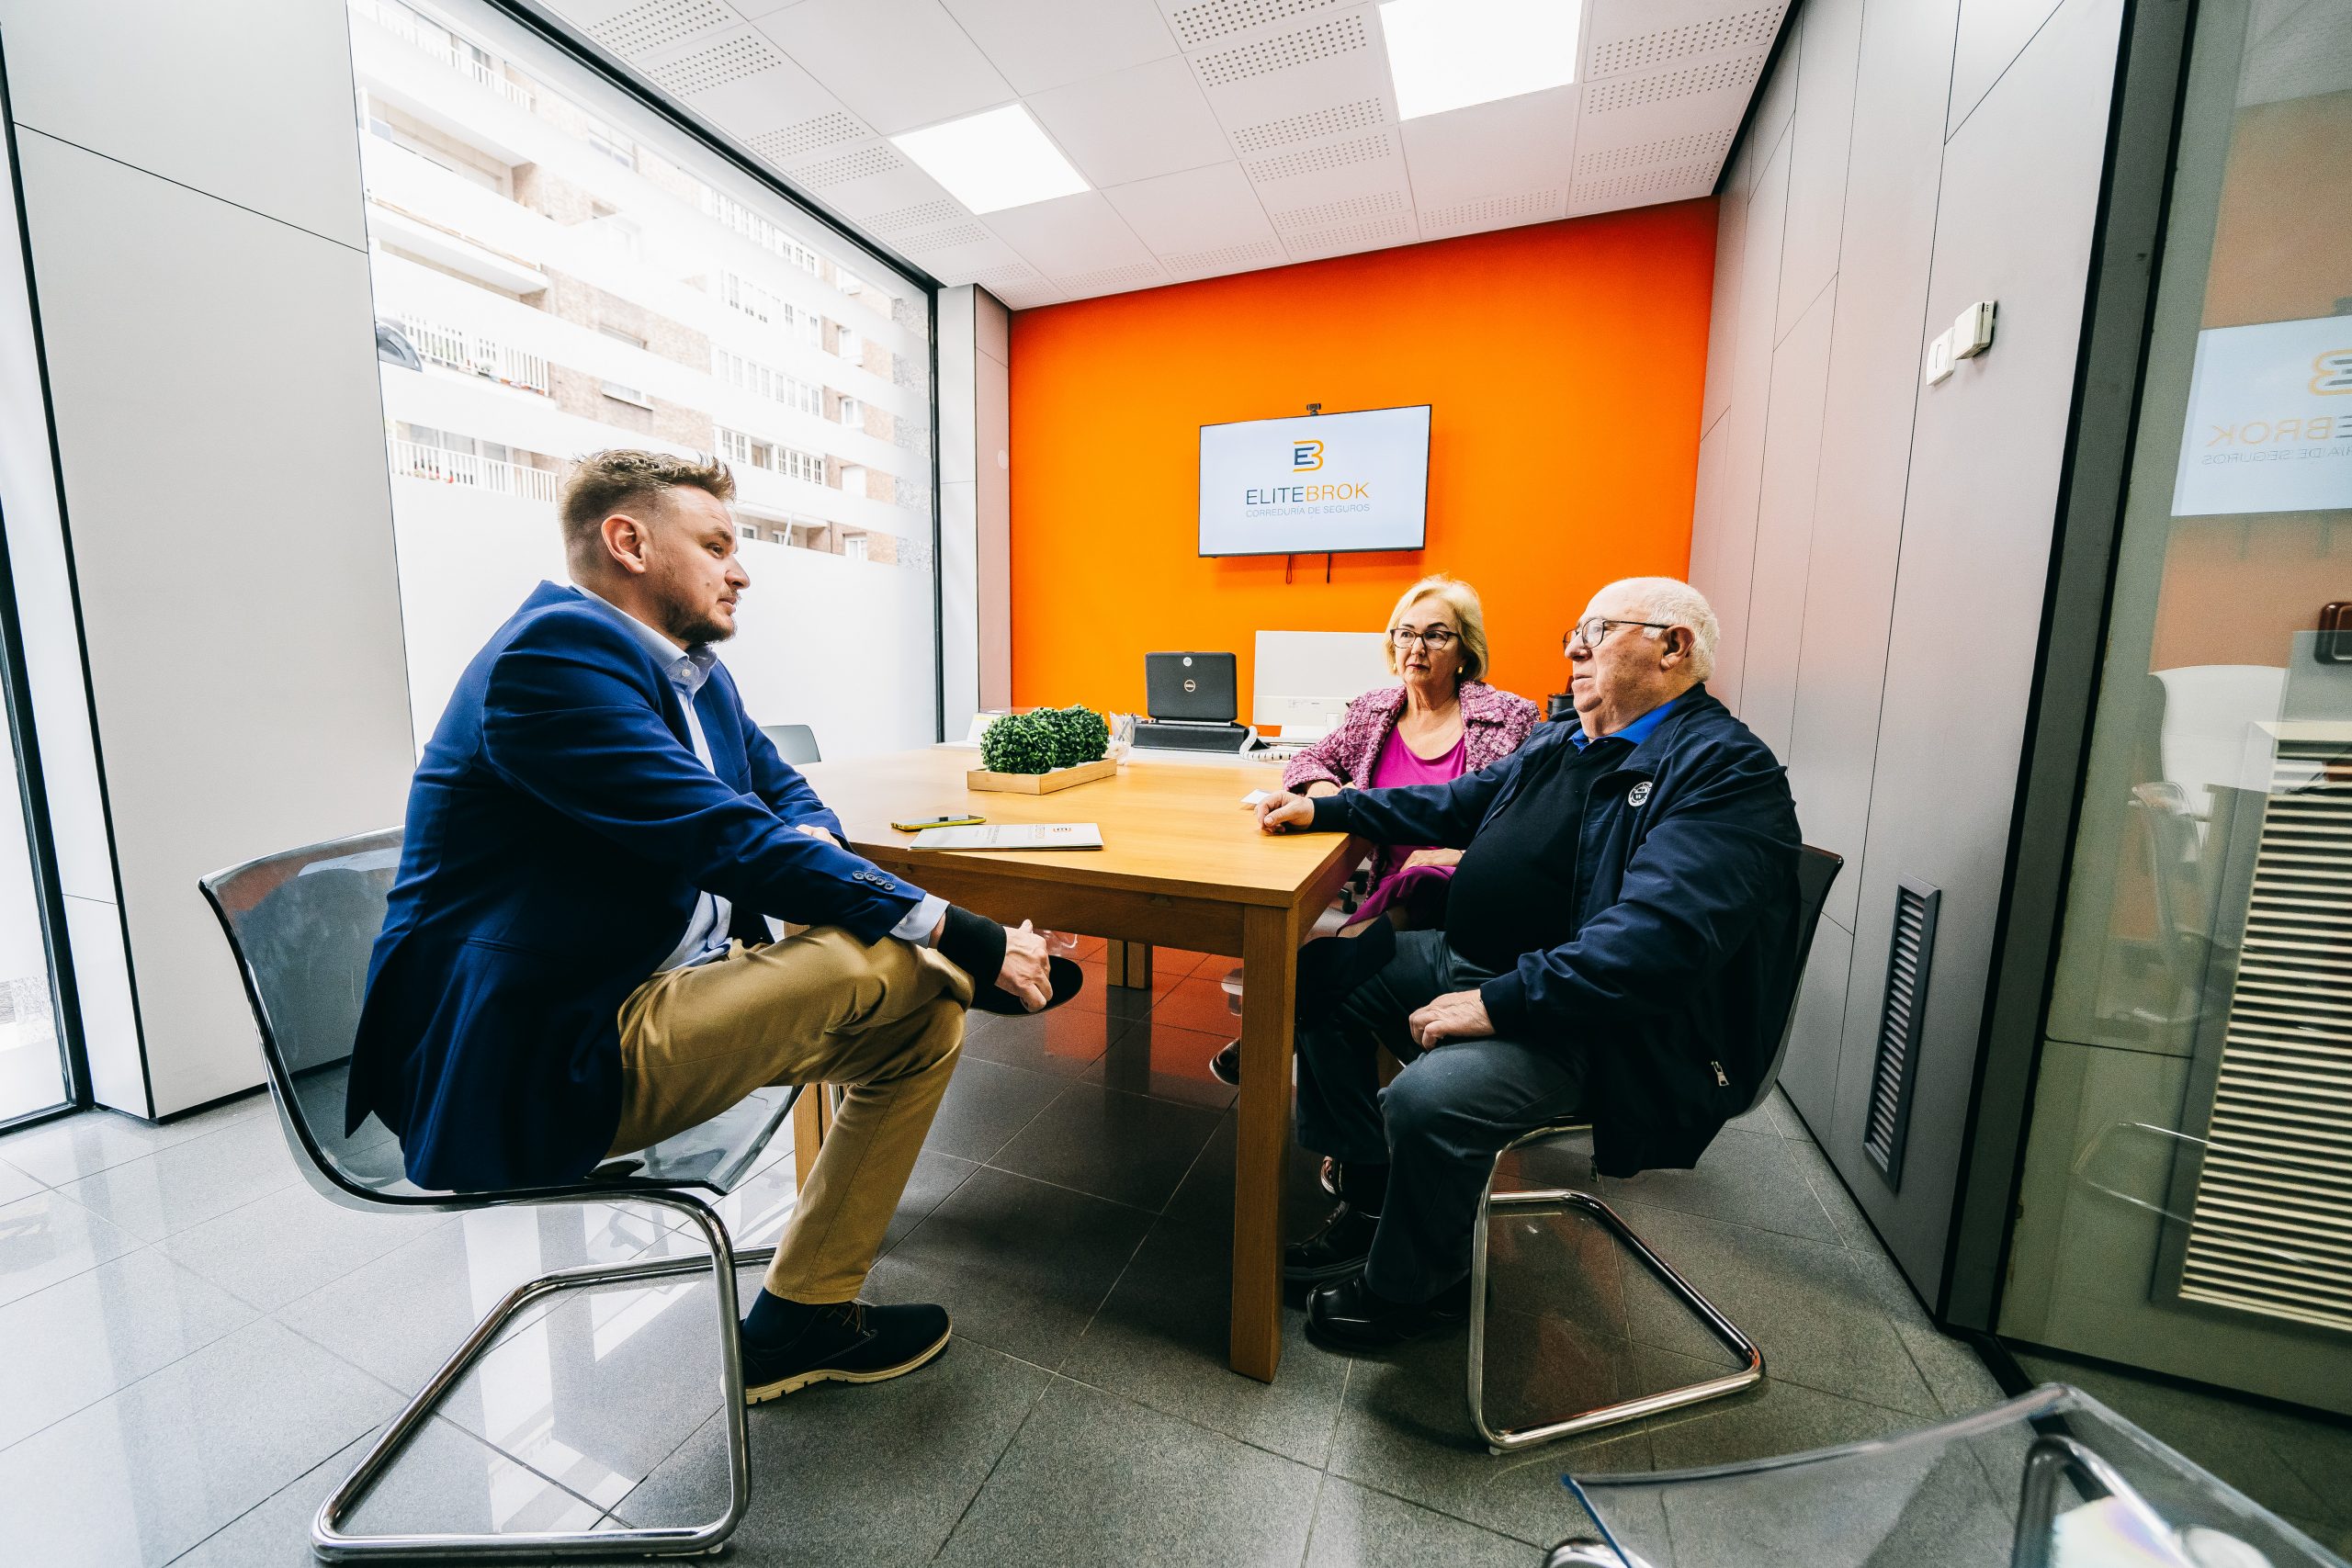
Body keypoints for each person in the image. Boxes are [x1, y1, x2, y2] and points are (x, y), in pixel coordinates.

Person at [348, 449, 1071, 1404]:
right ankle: (982, 967)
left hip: (657, 992)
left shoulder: (695, 674)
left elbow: (781, 795)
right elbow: (724, 835)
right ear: (628, 541)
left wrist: (820, 852)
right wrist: (969, 935)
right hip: (536, 1052)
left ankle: (802, 1316)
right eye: (718, 545)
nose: (742, 572)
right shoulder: (547, 661)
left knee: (922, 1021)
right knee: (878, 966)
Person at [1250, 577, 1802, 1353]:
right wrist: (1329, 807)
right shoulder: (1566, 738)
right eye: (1575, 630)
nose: (1573, 647)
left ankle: (1416, 1287)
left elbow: (1658, 942)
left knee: (1427, 1097)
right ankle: (1374, 1200)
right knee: (1318, 979)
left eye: (1598, 631)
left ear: (1673, 648)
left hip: (1592, 1017)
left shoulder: (1724, 769)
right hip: (1478, 961)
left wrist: (1500, 1002)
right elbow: (1454, 803)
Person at [1207, 574, 1537, 1086]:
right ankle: (1301, 1028)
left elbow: (1531, 825)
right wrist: (1325, 796)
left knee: (1409, 889)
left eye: (1435, 635)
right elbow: (1312, 758)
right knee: (1368, 924)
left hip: (1467, 893)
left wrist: (1459, 856)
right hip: (1388, 887)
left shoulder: (1510, 718)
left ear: (1465, 650)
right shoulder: (1375, 710)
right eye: (1405, 633)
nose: (1416, 648)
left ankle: (1277, 1026)